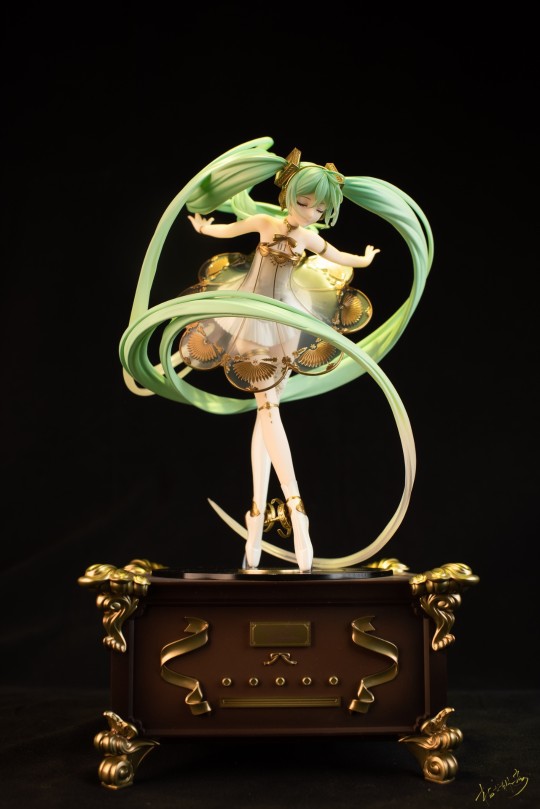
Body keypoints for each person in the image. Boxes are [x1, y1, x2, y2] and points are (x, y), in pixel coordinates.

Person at [119, 137, 433, 574]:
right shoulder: (267, 223)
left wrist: (363, 259)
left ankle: (259, 517)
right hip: (247, 314)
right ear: (289, 196)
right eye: (305, 203)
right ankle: (294, 508)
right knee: (267, 408)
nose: (311, 213)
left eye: (320, 209)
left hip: (286, 317)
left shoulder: (307, 236)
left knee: (266, 409)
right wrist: (205, 227)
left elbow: (336, 254)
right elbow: (231, 230)